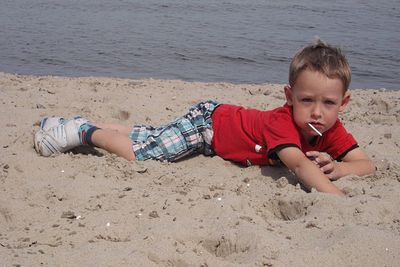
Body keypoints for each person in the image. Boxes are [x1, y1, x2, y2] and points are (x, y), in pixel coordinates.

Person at [33, 39, 375, 196]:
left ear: (343, 103)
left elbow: (366, 164)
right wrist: (335, 194)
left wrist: (342, 166)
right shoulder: (282, 122)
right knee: (146, 153)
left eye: (328, 103)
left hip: (215, 135)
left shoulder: (331, 127)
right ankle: (82, 131)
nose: (317, 111)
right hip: (209, 125)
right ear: (289, 97)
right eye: (307, 100)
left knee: (149, 136)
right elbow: (300, 166)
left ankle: (90, 124)